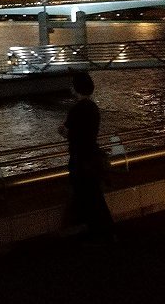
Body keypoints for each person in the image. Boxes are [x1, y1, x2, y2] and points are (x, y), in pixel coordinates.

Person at [57, 71, 115, 242]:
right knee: (94, 193)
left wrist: (62, 131)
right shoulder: (93, 108)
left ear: (76, 88)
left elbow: (69, 133)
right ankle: (104, 231)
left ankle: (98, 231)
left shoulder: (76, 109)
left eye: (72, 85)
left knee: (87, 193)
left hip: (79, 158)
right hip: (92, 155)